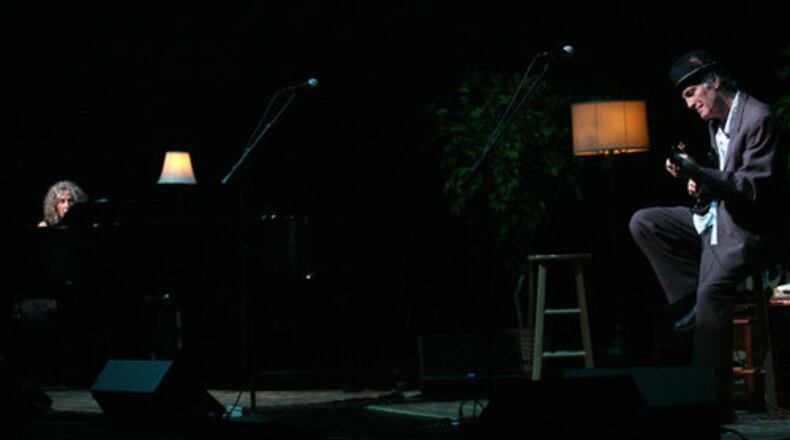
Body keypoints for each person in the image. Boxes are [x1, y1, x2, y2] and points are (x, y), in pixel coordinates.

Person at [629, 50, 787, 421]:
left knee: (712, 290)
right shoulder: (717, 125)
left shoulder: (758, 118)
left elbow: (753, 189)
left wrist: (701, 173)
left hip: (749, 230)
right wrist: (693, 179)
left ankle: (710, 403)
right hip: (717, 221)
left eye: (691, 93)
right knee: (645, 222)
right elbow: (719, 184)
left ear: (714, 81)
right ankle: (689, 302)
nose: (689, 104)